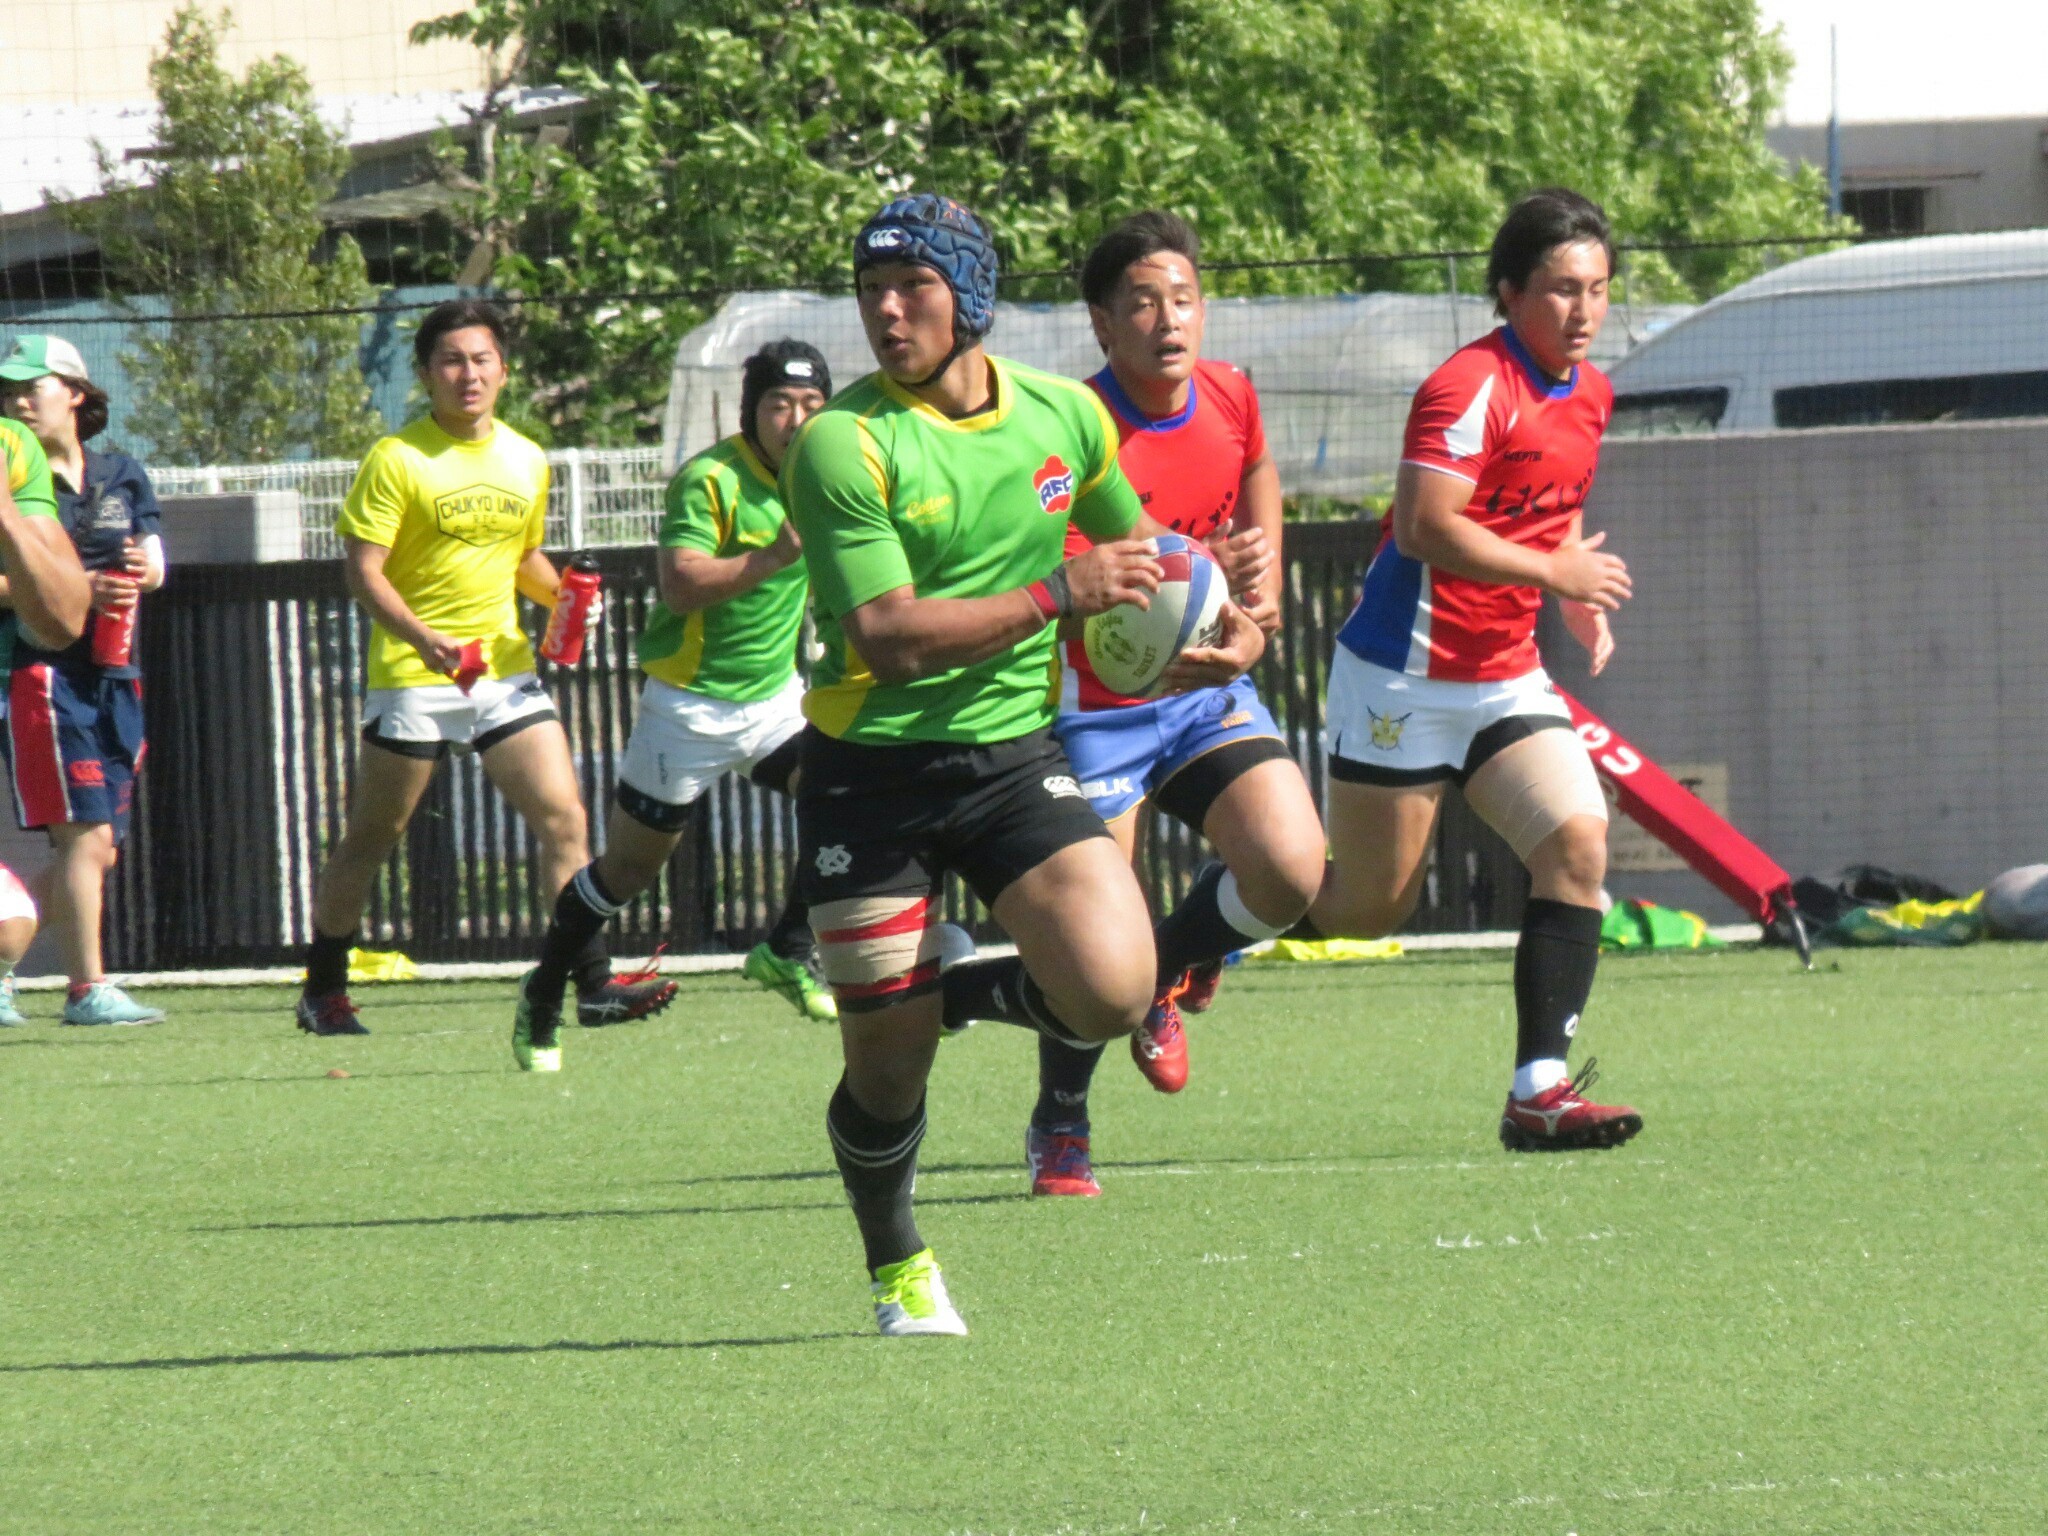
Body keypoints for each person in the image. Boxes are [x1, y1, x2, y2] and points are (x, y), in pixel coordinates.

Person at [776, 194, 1264, 1335]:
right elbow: (888, 640)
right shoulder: (841, 442)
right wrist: (1056, 593)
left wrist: (1222, 623)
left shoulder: (1061, 417)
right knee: (887, 1073)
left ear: (971, 296)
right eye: (870, 293)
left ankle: (945, 987)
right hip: (871, 775)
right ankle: (897, 1259)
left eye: (914, 288)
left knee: (1115, 990)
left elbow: (1143, 551)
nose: (887, 313)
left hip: (1009, 758)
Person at [1300, 188, 1642, 1152]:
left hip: (1504, 676)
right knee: (1367, 908)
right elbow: (1424, 527)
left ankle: (1539, 1092)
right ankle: (1203, 931)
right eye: (1561, 289)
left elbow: (1549, 504)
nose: (1582, 309)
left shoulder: (1593, 393)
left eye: (1597, 289)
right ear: (1508, 292)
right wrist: (1554, 572)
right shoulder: (1467, 385)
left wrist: (1570, 587)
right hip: (1401, 677)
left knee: (1577, 845)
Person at [1026, 212, 1326, 1197]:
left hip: (1203, 692)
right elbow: (1069, 569)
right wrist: (1184, 572)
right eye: (1144, 303)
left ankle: (1171, 962)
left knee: (1290, 869)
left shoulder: (1230, 391)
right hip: (1094, 707)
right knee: (1090, 950)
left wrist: (1259, 592)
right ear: (1102, 324)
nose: (1169, 320)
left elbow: (1255, 470)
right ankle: (1061, 1119)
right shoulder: (1071, 424)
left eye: (1183, 299)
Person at [297, 299, 675, 1045]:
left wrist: (565, 597)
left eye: (480, 360)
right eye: (450, 361)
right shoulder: (397, 458)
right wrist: (425, 638)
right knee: (374, 835)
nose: (467, 374)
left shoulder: (527, 458)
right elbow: (364, 572)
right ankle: (324, 987)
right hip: (414, 672)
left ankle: (592, 984)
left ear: (504, 370)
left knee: (564, 817)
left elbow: (522, 557)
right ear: (425, 374)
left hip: (501, 672)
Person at [511, 340, 837, 1052]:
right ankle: (545, 989)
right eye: (779, 404)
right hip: (688, 709)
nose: (795, 420)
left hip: (775, 705)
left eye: (812, 404)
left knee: (847, 793)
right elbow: (681, 585)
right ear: (751, 411)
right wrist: (776, 554)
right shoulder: (711, 478)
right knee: (625, 874)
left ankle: (788, 947)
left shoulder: (824, 474)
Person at [0, 336, 168, 1025]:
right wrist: (74, 590)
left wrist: (139, 574)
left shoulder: (121, 472)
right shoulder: (16, 477)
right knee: (81, 834)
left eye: (30, 387)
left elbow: (155, 561)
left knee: (96, 850)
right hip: (44, 674)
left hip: (115, 672)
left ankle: (2, 965)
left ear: (74, 392)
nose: (16, 402)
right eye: (7, 391)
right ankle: (86, 989)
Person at [0, 408, 93, 1023]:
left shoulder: (10, 445)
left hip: (18, 682)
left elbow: (64, 619)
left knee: (9, 924)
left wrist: (4, 513)